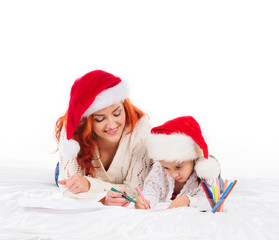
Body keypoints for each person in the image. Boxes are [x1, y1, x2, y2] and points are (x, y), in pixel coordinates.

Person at [54, 70, 152, 206]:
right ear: (86, 122)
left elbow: (135, 189)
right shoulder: (73, 131)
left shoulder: (140, 128)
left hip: (89, 180)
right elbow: (67, 189)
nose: (112, 125)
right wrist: (103, 198)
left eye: (117, 113)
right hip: (79, 170)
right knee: (66, 177)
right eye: (100, 119)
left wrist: (89, 185)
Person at [135, 116, 223, 210]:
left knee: (218, 186)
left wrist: (189, 200)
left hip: (216, 182)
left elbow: (211, 201)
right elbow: (151, 191)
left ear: (192, 158)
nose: (173, 174)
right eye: (166, 168)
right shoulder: (159, 168)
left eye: (179, 167)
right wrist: (144, 201)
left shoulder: (205, 172)